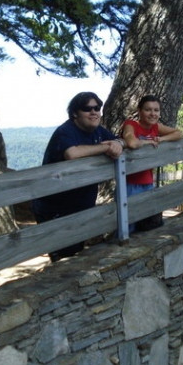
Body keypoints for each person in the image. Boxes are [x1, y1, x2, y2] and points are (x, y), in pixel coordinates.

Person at [32, 91, 125, 261]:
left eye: (97, 108)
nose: (94, 112)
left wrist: (118, 143)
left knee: (75, 252)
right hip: (55, 206)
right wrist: (105, 148)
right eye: (87, 108)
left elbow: (119, 140)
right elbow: (72, 154)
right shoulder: (65, 131)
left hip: (80, 205)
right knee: (63, 257)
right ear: (75, 113)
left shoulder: (98, 131)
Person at [121, 95, 182, 232]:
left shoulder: (156, 127)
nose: (153, 114)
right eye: (148, 110)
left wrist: (162, 139)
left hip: (148, 182)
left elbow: (179, 133)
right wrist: (147, 142)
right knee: (127, 224)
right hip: (129, 183)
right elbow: (131, 142)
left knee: (147, 224)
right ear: (139, 111)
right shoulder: (131, 125)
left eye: (156, 110)